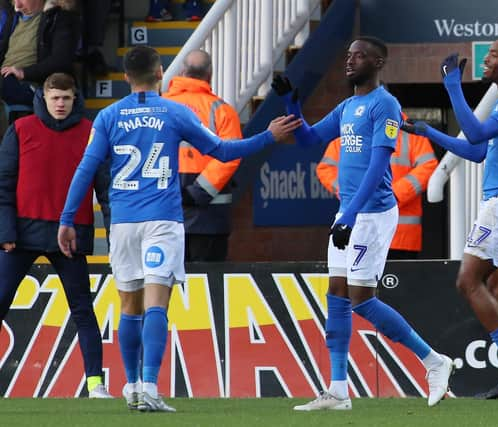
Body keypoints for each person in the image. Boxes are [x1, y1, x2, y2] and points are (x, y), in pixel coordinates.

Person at [57, 46, 300, 412]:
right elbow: (221, 151)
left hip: (122, 222)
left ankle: (133, 386)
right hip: (163, 219)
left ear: (125, 77)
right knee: (157, 303)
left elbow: (85, 169)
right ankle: (151, 386)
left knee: (129, 306)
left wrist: (66, 219)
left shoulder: (108, 117)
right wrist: (267, 136)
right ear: (160, 75)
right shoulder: (174, 112)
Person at [272, 36, 454, 410]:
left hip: (371, 214)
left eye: (360, 56)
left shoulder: (385, 105)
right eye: (349, 55)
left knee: (360, 299)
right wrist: (291, 101)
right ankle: (338, 389)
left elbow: (377, 166)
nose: (350, 61)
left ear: (379, 63)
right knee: (337, 294)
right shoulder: (348, 106)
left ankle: (434, 361)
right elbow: (308, 140)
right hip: (351, 213)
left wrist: (351, 216)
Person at [402, 32, 498, 398]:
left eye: (493, 55)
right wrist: (430, 131)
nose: (485, 59)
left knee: (468, 281)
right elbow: (479, 151)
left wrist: (452, 87)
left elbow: (478, 130)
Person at [0, 72, 111, 398]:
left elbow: (104, 186)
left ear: (74, 98)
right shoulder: (20, 130)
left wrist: (116, 228)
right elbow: (3, 185)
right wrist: (5, 232)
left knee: (83, 310)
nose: (60, 104)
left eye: (66, 98)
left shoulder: (91, 132)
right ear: (44, 98)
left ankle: (95, 384)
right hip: (20, 234)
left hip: (69, 236)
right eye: (55, 98)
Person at [316, 117, 438, 259]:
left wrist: (395, 195)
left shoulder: (408, 130)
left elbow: (428, 165)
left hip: (399, 237)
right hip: (359, 229)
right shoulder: (351, 128)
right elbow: (326, 168)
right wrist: (351, 193)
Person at [163, 49, 242, 262]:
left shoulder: (161, 107)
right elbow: (231, 156)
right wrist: (198, 192)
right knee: (208, 290)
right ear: (210, 75)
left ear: (181, 72)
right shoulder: (222, 110)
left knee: (165, 288)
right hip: (209, 219)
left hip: (164, 217)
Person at [0, 0, 80, 107]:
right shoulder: (13, 18)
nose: (17, 6)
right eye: (15, 0)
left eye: (22, 0)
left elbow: (61, 60)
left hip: (34, 85)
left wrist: (24, 72)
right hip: (5, 79)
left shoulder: (58, 18)